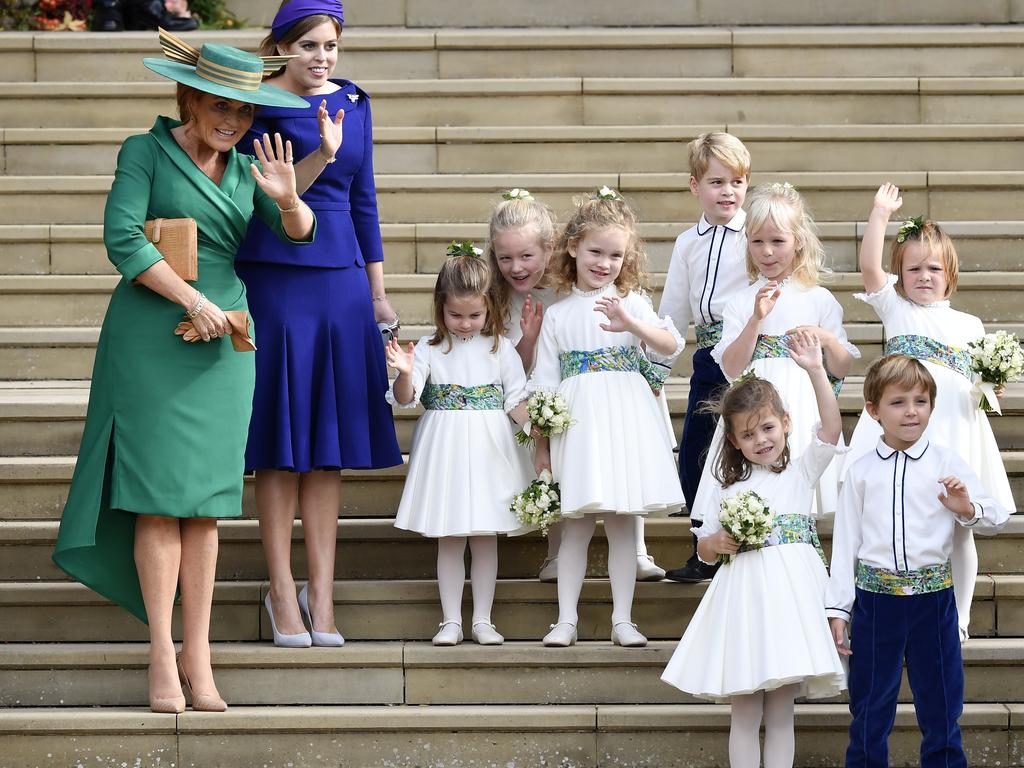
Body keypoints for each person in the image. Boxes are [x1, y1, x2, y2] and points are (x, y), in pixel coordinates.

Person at [52, 33, 315, 713]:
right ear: (192, 97)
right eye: (221, 105)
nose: (233, 120)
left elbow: (298, 232)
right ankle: (162, 657)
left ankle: (199, 658)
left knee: (205, 506)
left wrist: (286, 198)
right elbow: (122, 237)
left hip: (224, 345)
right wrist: (194, 300)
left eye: (246, 111)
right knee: (159, 496)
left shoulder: (244, 166)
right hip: (153, 336)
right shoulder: (145, 150)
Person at [237, 0, 403, 647]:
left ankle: (322, 599)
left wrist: (378, 292)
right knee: (280, 449)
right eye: (308, 46)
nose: (321, 58)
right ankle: (281, 594)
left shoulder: (357, 102)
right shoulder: (254, 105)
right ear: (281, 47)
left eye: (330, 46)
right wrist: (322, 156)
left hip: (340, 286)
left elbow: (365, 200)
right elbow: (269, 198)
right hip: (274, 279)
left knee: (326, 454)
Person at [661, 333, 847, 768]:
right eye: (748, 434)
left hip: (792, 600)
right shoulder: (727, 487)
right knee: (745, 711)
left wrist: (816, 371)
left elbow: (832, 429)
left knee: (781, 711)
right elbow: (705, 551)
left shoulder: (801, 472)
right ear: (733, 441)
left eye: (768, 427)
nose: (761, 439)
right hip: (745, 600)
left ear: (785, 422)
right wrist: (715, 544)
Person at [841, 183, 1015, 642]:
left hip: (953, 429)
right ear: (900, 275)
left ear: (950, 273)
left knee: (959, 528)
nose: (923, 276)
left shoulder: (969, 325)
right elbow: (868, 267)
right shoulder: (895, 308)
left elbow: (981, 384)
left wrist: (992, 381)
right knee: (880, 515)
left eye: (933, 268)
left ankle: (957, 618)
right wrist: (880, 214)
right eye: (913, 268)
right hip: (902, 429)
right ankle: (864, 603)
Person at [827, 355, 1009, 768]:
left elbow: (997, 516)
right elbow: (846, 545)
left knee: (942, 706)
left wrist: (967, 508)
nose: (911, 411)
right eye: (898, 402)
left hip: (934, 603)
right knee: (870, 709)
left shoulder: (946, 463)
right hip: (876, 605)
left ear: (932, 405)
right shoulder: (860, 471)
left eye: (920, 401)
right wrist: (838, 609)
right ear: (873, 410)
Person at [528, 188, 685, 649]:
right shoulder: (558, 315)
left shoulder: (630, 302)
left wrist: (631, 323)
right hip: (579, 427)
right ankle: (565, 619)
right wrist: (542, 442)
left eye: (616, 255)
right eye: (595, 251)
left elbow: (670, 345)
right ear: (573, 246)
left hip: (625, 422)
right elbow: (544, 379)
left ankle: (623, 619)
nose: (605, 263)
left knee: (621, 522)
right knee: (575, 525)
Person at [487, 189, 666, 583]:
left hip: (596, 383)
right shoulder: (499, 299)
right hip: (534, 390)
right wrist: (529, 340)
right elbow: (512, 371)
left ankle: (636, 547)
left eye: (527, 257)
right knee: (539, 428)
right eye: (506, 259)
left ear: (552, 249)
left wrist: (647, 374)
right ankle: (555, 548)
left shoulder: (572, 284)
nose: (517, 268)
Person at [386, 243, 534, 646]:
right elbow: (405, 397)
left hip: (490, 450)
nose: (466, 323)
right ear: (440, 309)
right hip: (446, 447)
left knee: (485, 535)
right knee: (450, 535)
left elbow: (515, 398)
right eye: (456, 315)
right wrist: (403, 372)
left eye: (475, 315)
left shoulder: (501, 348)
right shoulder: (430, 349)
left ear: (489, 308)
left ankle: (482, 619)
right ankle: (450, 619)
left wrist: (536, 425)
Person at [688, 182, 858, 526]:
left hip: (802, 402)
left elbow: (842, 367)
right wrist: (755, 319)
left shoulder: (819, 298)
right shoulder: (739, 303)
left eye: (777, 241)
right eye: (758, 242)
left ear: (798, 243)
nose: (767, 252)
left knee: (798, 490)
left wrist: (825, 338)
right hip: (755, 407)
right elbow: (732, 369)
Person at [657, 131, 752, 584]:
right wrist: (654, 367)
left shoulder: (756, 234)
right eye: (716, 182)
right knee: (695, 450)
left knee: (743, 447)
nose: (727, 191)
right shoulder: (686, 243)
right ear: (695, 186)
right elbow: (673, 311)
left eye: (736, 182)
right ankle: (703, 549)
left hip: (748, 353)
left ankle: (746, 540)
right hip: (706, 359)